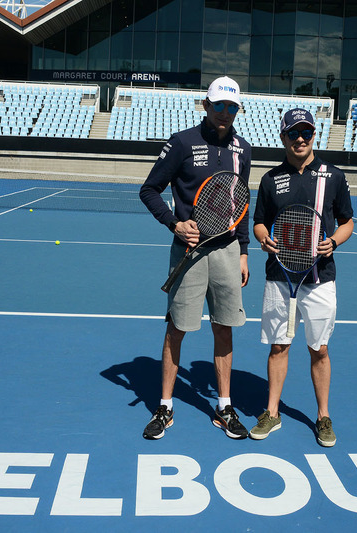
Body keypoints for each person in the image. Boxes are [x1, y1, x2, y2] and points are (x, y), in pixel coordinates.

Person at [138, 76, 252, 440]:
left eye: (232, 107)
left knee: (224, 327)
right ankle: (166, 407)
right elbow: (149, 190)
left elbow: (242, 204)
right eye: (219, 105)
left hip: (228, 252)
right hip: (189, 252)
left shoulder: (243, 149)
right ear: (206, 105)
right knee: (178, 328)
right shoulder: (181, 143)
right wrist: (174, 223)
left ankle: (223, 406)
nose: (225, 113)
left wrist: (245, 251)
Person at [249, 108, 354, 447]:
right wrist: (263, 237)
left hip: (321, 279)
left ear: (314, 136)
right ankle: (272, 412)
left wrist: (334, 241)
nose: (300, 139)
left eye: (306, 132)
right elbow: (259, 222)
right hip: (279, 277)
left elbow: (348, 221)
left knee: (319, 349)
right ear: (283, 137)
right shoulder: (269, 180)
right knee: (279, 346)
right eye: (294, 133)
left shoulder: (333, 176)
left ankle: (323, 417)